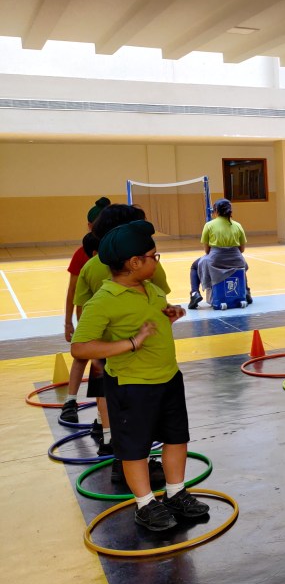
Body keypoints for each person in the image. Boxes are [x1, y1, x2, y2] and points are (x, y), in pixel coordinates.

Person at [70, 220, 209, 532]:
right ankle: (145, 504)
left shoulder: (152, 289)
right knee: (135, 448)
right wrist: (130, 343)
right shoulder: (104, 300)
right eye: (153, 256)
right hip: (132, 386)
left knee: (176, 437)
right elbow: (80, 347)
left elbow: (151, 322)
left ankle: (175, 493)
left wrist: (170, 316)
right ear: (134, 263)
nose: (156, 261)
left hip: (168, 378)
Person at [73, 204, 171, 482]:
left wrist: (92, 344)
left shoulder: (91, 265)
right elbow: (160, 300)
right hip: (142, 360)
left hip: (106, 352)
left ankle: (113, 446)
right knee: (142, 416)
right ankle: (135, 464)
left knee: (110, 400)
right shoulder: (148, 265)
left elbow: (82, 308)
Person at [60, 196, 110, 426]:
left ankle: (101, 420)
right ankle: (72, 403)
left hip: (106, 318)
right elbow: (73, 290)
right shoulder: (84, 253)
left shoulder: (115, 251)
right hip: (91, 317)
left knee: (100, 363)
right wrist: (68, 321)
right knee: (88, 358)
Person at [188, 198, 249, 310]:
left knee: (194, 266)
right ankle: (246, 291)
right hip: (236, 259)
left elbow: (207, 251)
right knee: (242, 264)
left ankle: (194, 293)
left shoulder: (209, 225)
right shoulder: (238, 225)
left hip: (216, 260)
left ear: (216, 211)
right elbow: (242, 249)